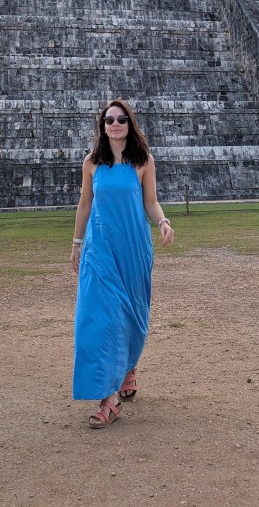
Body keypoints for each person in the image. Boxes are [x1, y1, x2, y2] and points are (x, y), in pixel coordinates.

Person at [71, 99, 175, 428]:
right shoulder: (92, 163)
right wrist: (76, 244)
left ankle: (128, 367)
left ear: (130, 124)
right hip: (99, 248)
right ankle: (108, 398)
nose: (115, 124)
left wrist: (162, 222)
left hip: (133, 248)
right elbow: (85, 204)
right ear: (102, 126)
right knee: (100, 318)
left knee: (132, 314)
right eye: (109, 119)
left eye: (121, 119)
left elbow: (151, 202)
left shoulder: (143, 161)